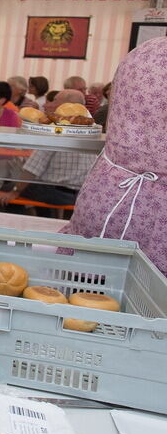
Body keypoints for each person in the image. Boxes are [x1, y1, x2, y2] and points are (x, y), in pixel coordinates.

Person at [62, 37, 167, 274]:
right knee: (149, 299)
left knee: (82, 288)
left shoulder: (143, 53)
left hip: (107, 194)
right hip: (159, 215)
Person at [0, 90, 97, 215]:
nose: (50, 104)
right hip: (83, 194)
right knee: (35, 186)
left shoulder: (57, 130)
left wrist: (14, 192)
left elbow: (32, 169)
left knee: (8, 189)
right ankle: (47, 217)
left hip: (57, 193)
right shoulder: (92, 128)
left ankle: (16, 227)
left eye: (55, 101)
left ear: (66, 106)